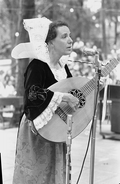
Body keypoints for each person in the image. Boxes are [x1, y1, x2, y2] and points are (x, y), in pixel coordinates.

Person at [11, 17, 79, 184]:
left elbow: (72, 92)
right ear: (50, 43)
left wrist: (92, 87)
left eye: (69, 35)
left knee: (53, 174)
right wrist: (62, 96)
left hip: (55, 128)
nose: (70, 40)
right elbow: (32, 95)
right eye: (64, 36)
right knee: (36, 174)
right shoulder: (38, 66)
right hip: (36, 130)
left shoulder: (63, 68)